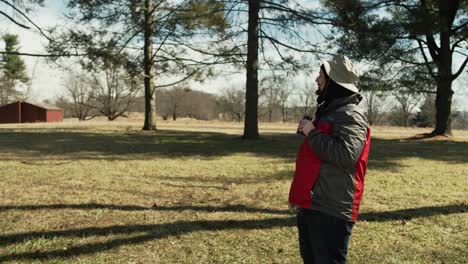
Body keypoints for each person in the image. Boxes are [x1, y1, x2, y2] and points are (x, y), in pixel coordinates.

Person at [288, 55, 371, 264]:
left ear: (333, 82)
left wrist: (312, 133)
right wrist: (312, 129)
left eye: (321, 76)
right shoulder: (331, 111)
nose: (317, 80)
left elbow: (346, 155)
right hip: (313, 203)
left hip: (331, 209)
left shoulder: (351, 115)